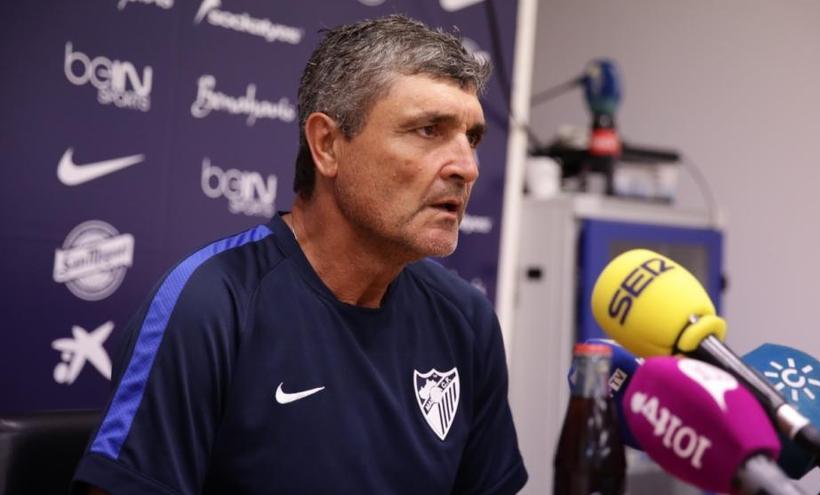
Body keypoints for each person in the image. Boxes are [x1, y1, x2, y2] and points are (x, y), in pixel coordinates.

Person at [72, 14, 528, 495]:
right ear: (327, 145)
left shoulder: (466, 320)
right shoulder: (211, 305)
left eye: (471, 138)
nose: (467, 167)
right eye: (428, 130)